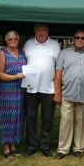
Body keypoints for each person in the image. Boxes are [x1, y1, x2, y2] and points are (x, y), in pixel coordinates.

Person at [54, 30, 84, 159]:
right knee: (66, 121)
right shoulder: (64, 53)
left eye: (82, 38)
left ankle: (78, 148)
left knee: (81, 121)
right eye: (77, 38)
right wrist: (57, 93)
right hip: (67, 93)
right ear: (73, 39)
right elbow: (58, 75)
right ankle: (63, 149)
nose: (80, 40)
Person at [23, 23, 60, 157]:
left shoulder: (55, 45)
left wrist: (57, 89)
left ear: (47, 31)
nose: (41, 32)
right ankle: (31, 146)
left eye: (43, 30)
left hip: (48, 88)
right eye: (38, 30)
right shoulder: (28, 44)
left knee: (47, 119)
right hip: (30, 88)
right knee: (31, 117)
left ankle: (45, 146)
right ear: (34, 31)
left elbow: (58, 67)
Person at [0, 31, 27, 159]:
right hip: (6, 91)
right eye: (10, 39)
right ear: (6, 41)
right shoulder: (2, 54)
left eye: (15, 39)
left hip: (20, 91)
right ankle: (5, 147)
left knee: (18, 118)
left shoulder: (22, 53)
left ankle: (13, 145)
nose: (13, 41)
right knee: (6, 119)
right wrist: (14, 76)